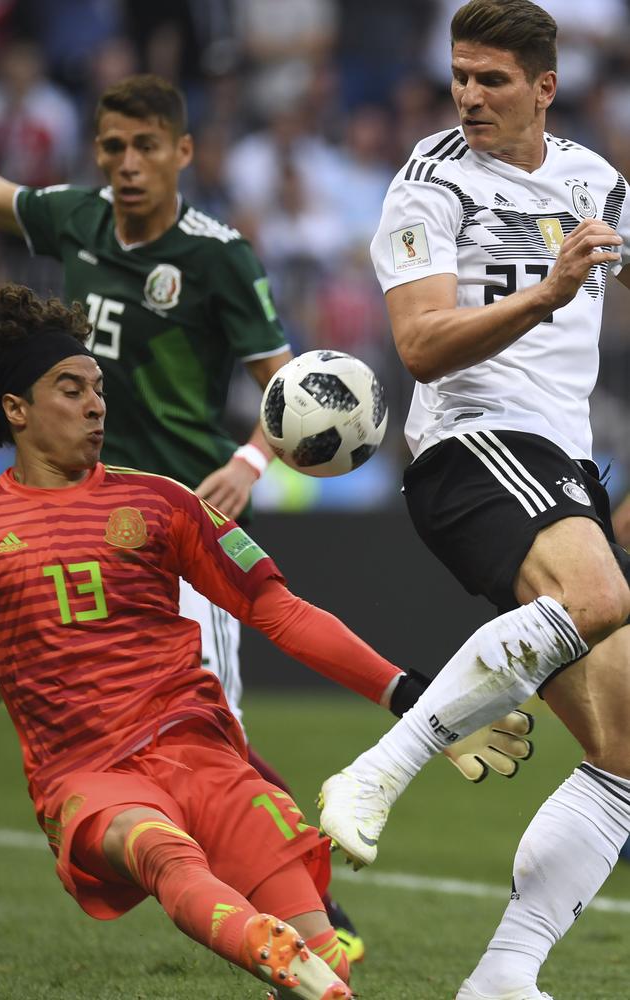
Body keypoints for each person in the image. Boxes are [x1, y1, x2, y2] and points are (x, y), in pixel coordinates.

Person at [0, 71, 534, 962]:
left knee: (212, 746)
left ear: (183, 154)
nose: (127, 166)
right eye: (112, 148)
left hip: (167, 525)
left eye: (146, 148)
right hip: (43, 529)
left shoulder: (217, 256)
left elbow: (291, 391)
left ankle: (300, 908)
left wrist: (246, 462)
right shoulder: (75, 219)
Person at [317, 2, 630, 999]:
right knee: (598, 597)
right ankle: (376, 771)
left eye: (491, 80)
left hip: (561, 466)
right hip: (470, 446)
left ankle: (502, 975)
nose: (467, 95)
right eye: (459, 75)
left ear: (543, 87)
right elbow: (415, 344)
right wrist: (542, 293)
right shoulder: (429, 179)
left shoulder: (595, 182)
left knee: (624, 746)